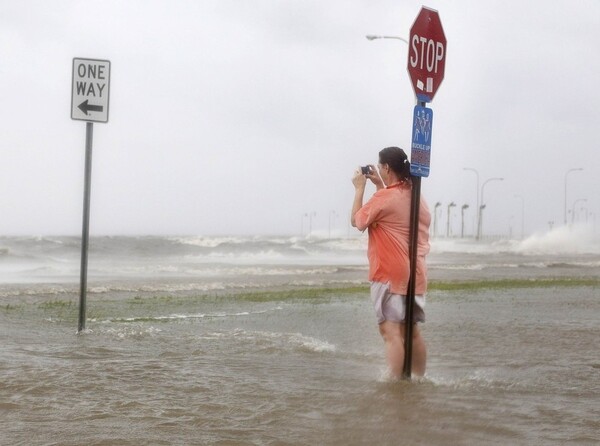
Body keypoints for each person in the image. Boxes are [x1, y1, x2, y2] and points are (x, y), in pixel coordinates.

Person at [351, 147, 431, 378]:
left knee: (390, 331)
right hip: (416, 273)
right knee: (411, 331)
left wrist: (359, 188)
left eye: (380, 167)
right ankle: (418, 379)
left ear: (385, 168)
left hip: (390, 273)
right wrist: (379, 186)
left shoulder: (385, 198)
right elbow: (393, 212)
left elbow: (357, 221)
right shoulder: (416, 195)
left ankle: (397, 386)